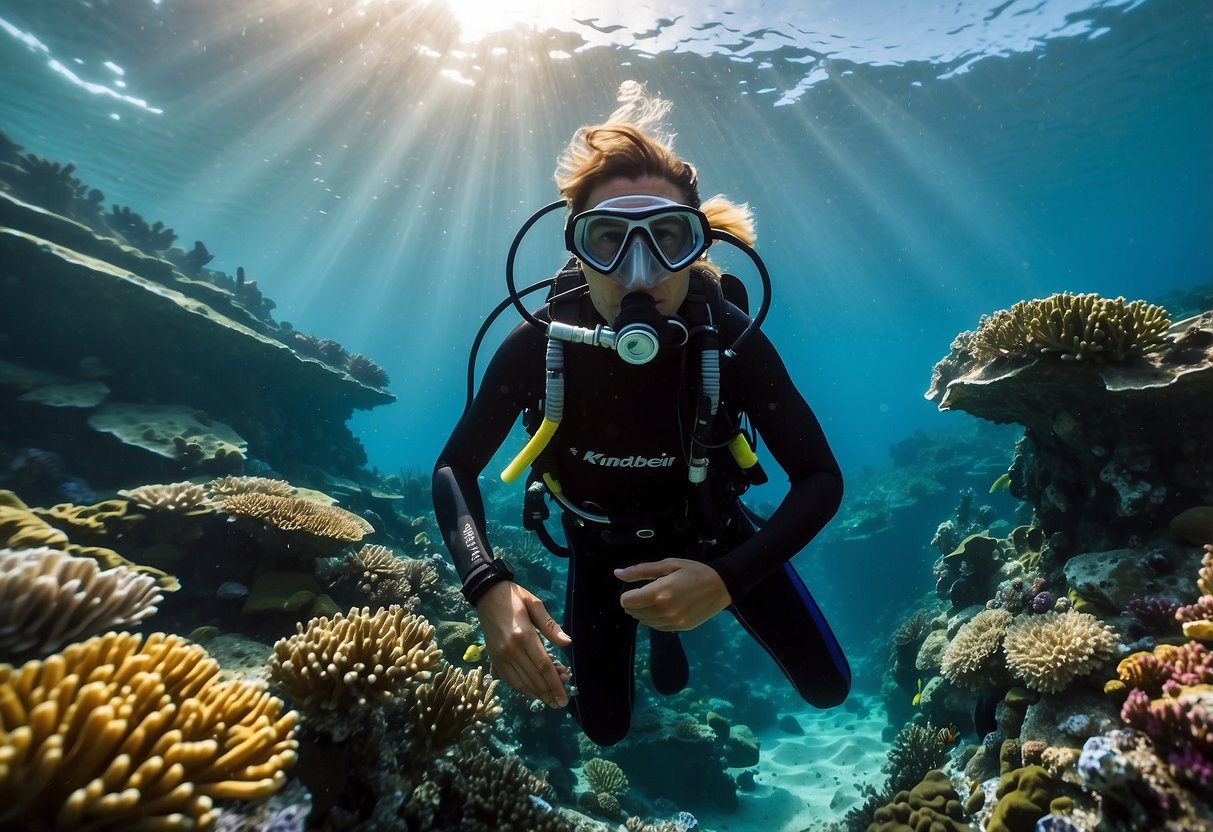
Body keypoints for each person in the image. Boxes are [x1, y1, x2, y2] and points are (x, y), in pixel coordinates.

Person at [433, 84, 850, 746]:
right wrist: (486, 586)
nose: (637, 273)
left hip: (712, 530)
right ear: (578, 249)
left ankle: (672, 624)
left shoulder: (729, 339)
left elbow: (820, 478)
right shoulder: (537, 345)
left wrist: (724, 579)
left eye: (664, 238)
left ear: (696, 243)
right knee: (602, 730)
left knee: (829, 689)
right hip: (599, 546)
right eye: (608, 239)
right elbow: (455, 466)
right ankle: (663, 635)